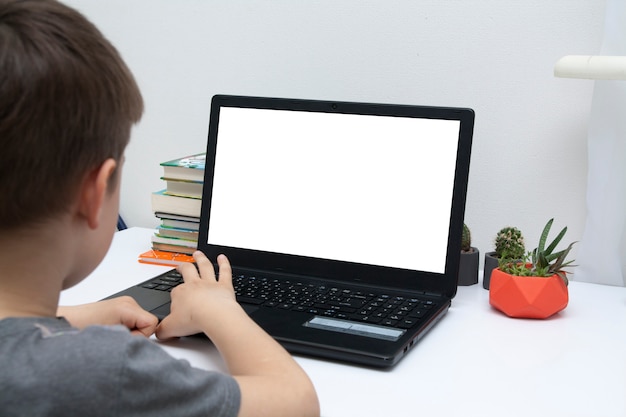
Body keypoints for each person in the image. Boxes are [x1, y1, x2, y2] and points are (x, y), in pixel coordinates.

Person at [0, 1, 320, 416]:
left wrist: (78, 316)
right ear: (94, 195)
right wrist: (218, 310)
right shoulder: (103, 373)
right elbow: (297, 403)